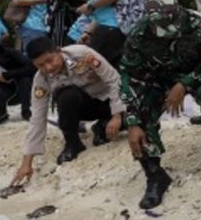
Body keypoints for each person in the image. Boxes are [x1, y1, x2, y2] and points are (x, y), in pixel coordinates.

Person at [119, 0, 201, 209]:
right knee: (139, 117)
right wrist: (132, 120)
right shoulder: (139, 34)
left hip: (197, 73)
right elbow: (130, 78)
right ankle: (155, 175)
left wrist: (184, 85)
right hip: (158, 81)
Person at [9, 37, 124, 186]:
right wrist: (26, 163)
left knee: (134, 119)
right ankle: (73, 143)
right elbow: (37, 117)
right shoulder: (41, 79)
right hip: (82, 107)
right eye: (40, 65)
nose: (48, 68)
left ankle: (101, 128)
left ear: (58, 51)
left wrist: (117, 115)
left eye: (50, 60)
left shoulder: (83, 54)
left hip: (107, 101)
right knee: (67, 95)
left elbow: (114, 80)